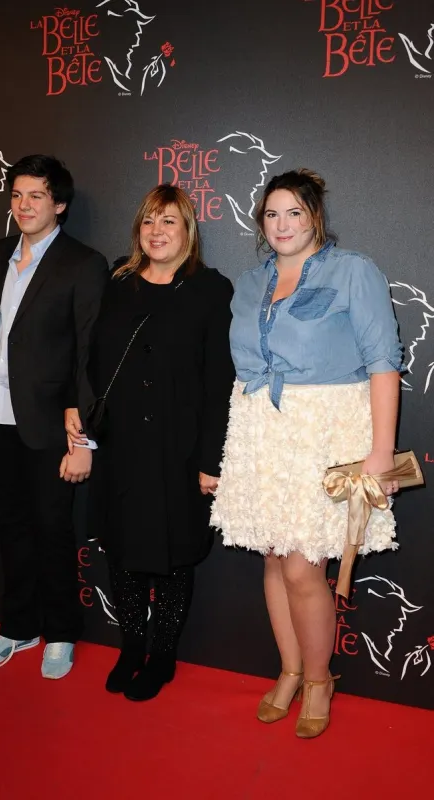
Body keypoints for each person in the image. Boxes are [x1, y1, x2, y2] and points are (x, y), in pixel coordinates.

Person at [211, 169, 403, 738]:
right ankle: (290, 669)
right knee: (274, 558)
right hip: (260, 434)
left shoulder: (354, 272)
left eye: (294, 212)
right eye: (271, 214)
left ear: (315, 216)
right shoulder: (250, 282)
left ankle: (320, 679)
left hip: (325, 432)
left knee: (302, 566)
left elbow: (384, 364)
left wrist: (380, 453)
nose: (282, 224)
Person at [66, 184, 234, 700]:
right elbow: (87, 356)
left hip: (178, 450)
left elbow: (218, 381)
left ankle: (161, 658)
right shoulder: (117, 281)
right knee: (122, 551)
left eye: (169, 223)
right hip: (121, 448)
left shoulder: (210, 289)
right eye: (148, 222)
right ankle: (131, 648)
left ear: (188, 231)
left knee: (175, 556)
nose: (157, 232)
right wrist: (79, 415)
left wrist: (210, 459)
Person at [0, 155, 108, 679]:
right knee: (11, 527)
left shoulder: (82, 263)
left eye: (36, 196)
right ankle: (17, 626)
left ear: (60, 204)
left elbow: (88, 354)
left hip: (51, 424)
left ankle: (62, 633)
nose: (23, 206)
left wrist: (83, 440)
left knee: (52, 529)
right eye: (17, 196)